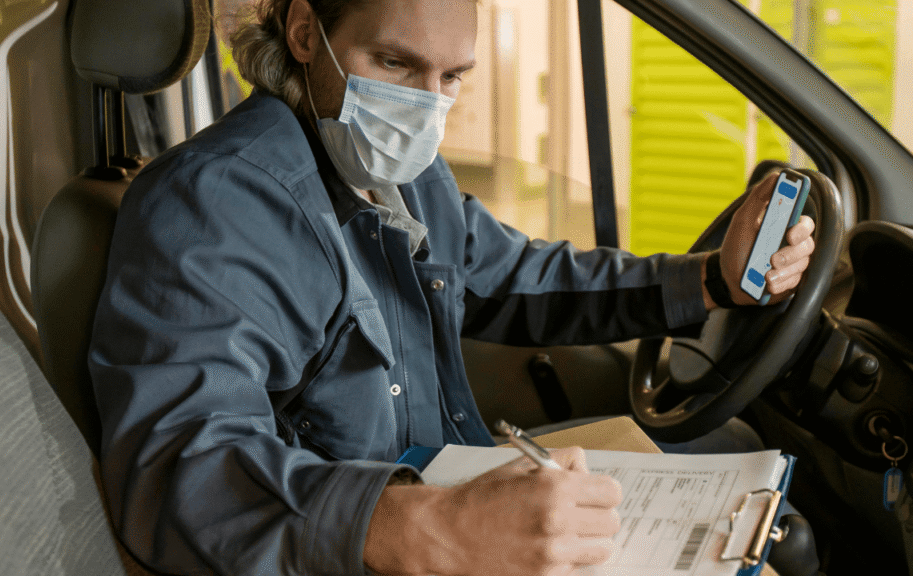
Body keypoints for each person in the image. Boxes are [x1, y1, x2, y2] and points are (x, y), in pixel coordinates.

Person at [87, 0, 817, 574]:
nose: (426, 106)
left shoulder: (404, 174)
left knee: (734, 477)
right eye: (395, 63)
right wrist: (434, 527)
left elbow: (517, 280)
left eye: (452, 77)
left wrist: (710, 281)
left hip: (444, 484)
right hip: (365, 553)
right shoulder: (220, 201)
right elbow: (181, 468)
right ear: (305, 33)